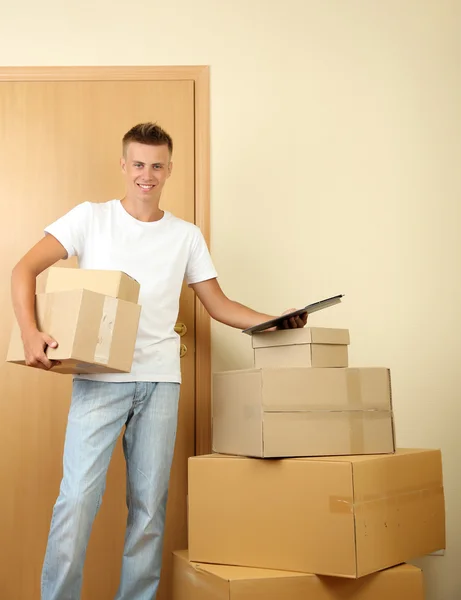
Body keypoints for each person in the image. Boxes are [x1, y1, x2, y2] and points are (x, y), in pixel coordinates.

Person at [10, 122, 307, 600]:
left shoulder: (185, 235)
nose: (147, 174)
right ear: (124, 166)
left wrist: (274, 319)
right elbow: (23, 268)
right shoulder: (91, 218)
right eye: (139, 164)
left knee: (149, 511)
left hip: (161, 382)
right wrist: (29, 332)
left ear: (169, 169)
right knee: (77, 501)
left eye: (157, 165)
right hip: (100, 379)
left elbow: (219, 304)